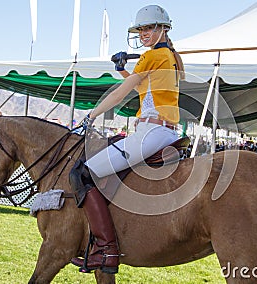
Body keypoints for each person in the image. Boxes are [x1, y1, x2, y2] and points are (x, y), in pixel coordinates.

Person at [70, 5, 184, 274]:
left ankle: (106, 249)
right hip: (164, 131)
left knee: (83, 174)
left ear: (163, 28)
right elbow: (144, 87)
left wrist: (91, 115)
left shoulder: (151, 56)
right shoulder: (171, 57)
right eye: (141, 29)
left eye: (148, 28)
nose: (143, 34)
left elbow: (121, 94)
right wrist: (123, 69)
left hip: (151, 133)